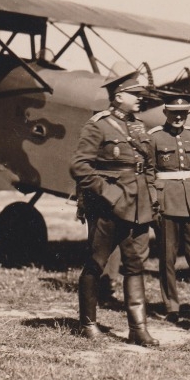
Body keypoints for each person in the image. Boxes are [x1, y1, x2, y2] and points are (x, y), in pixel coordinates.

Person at [70, 63, 160, 347]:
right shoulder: (98, 125)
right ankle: (88, 323)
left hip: (138, 207)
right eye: (135, 93)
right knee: (96, 264)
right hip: (108, 208)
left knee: (135, 266)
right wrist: (107, 193)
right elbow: (80, 166)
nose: (140, 98)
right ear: (119, 95)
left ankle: (138, 329)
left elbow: (148, 166)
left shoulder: (138, 126)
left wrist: (152, 197)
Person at [148, 94, 190, 323]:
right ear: (165, 113)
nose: (178, 117)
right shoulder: (155, 137)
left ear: (187, 115)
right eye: (173, 113)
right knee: (167, 257)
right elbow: (149, 172)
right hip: (167, 202)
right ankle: (172, 306)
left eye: (183, 114)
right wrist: (154, 202)